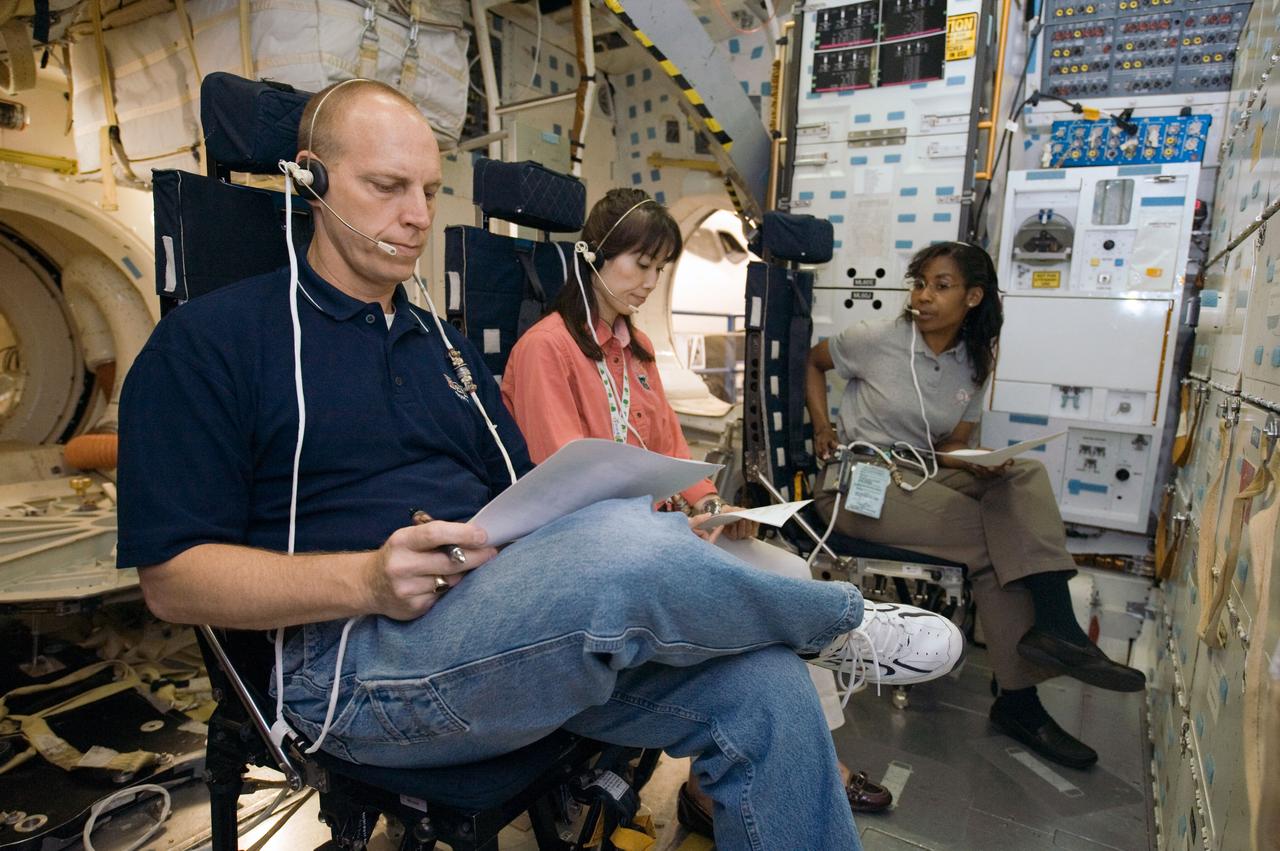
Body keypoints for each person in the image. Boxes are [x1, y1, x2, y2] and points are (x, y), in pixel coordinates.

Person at [116, 79, 961, 850]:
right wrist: (367, 581)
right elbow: (172, 582)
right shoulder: (212, 344)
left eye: (429, 191)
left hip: (497, 629)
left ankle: (793, 628)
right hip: (346, 669)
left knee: (766, 689)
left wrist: (668, 536)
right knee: (623, 545)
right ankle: (842, 625)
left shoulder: (442, 348)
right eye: (386, 187)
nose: (416, 215)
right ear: (311, 178)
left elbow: (532, 501)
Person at [501, 188, 899, 835]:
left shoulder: (637, 350)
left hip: (659, 533)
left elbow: (670, 448)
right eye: (638, 263)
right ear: (594, 256)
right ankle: (850, 645)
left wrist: (711, 504)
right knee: (763, 600)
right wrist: (666, 527)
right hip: (596, 550)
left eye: (659, 268)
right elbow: (564, 483)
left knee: (787, 569)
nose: (648, 281)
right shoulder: (548, 350)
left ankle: (795, 759)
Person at [805, 241, 1146, 770]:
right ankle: (1020, 702)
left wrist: (983, 460)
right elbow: (813, 361)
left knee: (1022, 477)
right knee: (992, 543)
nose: (924, 296)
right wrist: (823, 426)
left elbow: (945, 446)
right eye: (919, 283)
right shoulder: (874, 340)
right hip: (859, 484)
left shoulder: (973, 361)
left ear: (973, 296)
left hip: (925, 473)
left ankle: (1058, 628)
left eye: (941, 286)